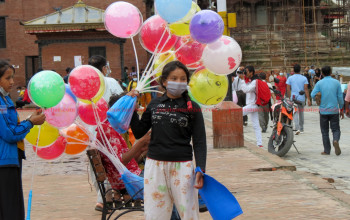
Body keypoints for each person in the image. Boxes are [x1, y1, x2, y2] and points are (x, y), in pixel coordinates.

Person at [129, 61, 206, 219]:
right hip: (155, 166)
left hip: (183, 167)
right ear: (164, 82)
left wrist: (201, 169)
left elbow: (199, 141)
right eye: (174, 78)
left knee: (188, 214)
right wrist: (130, 107)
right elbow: (138, 132)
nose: (179, 82)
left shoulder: (193, 107)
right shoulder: (155, 104)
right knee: (155, 214)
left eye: (183, 79)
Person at [0, 59, 46, 220]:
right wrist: (30, 122)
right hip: (4, 162)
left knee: (11, 206)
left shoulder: (5, 99)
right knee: (10, 209)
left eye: (12, 77)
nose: (12, 82)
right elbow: (9, 134)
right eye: (7, 78)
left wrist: (30, 119)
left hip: (12, 158)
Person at [95, 93, 149, 206]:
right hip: (127, 181)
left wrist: (143, 149)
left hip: (126, 177)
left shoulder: (111, 127)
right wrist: (140, 143)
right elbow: (121, 161)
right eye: (130, 113)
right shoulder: (108, 130)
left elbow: (129, 160)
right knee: (167, 181)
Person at [311, 66, 344, 155]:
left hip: (323, 110)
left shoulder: (319, 83)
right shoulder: (336, 83)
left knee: (324, 131)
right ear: (331, 72)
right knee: (336, 129)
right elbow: (340, 97)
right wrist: (341, 108)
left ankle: (327, 150)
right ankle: (336, 140)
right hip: (334, 110)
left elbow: (312, 94)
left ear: (322, 73)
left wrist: (317, 98)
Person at [239, 65, 263, 147]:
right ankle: (260, 143)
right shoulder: (250, 80)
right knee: (256, 125)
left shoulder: (255, 81)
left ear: (252, 72)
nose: (245, 73)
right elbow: (238, 74)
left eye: (247, 72)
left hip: (253, 105)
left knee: (237, 113)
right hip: (252, 105)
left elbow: (246, 90)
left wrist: (242, 80)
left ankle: (234, 136)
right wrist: (239, 69)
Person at [286, 64, 311, 135]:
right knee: (301, 113)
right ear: (300, 70)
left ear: (293, 70)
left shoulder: (290, 78)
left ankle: (297, 128)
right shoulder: (304, 78)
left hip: (293, 98)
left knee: (295, 113)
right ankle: (301, 128)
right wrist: (308, 99)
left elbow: (288, 88)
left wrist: (289, 97)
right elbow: (306, 89)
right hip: (301, 98)